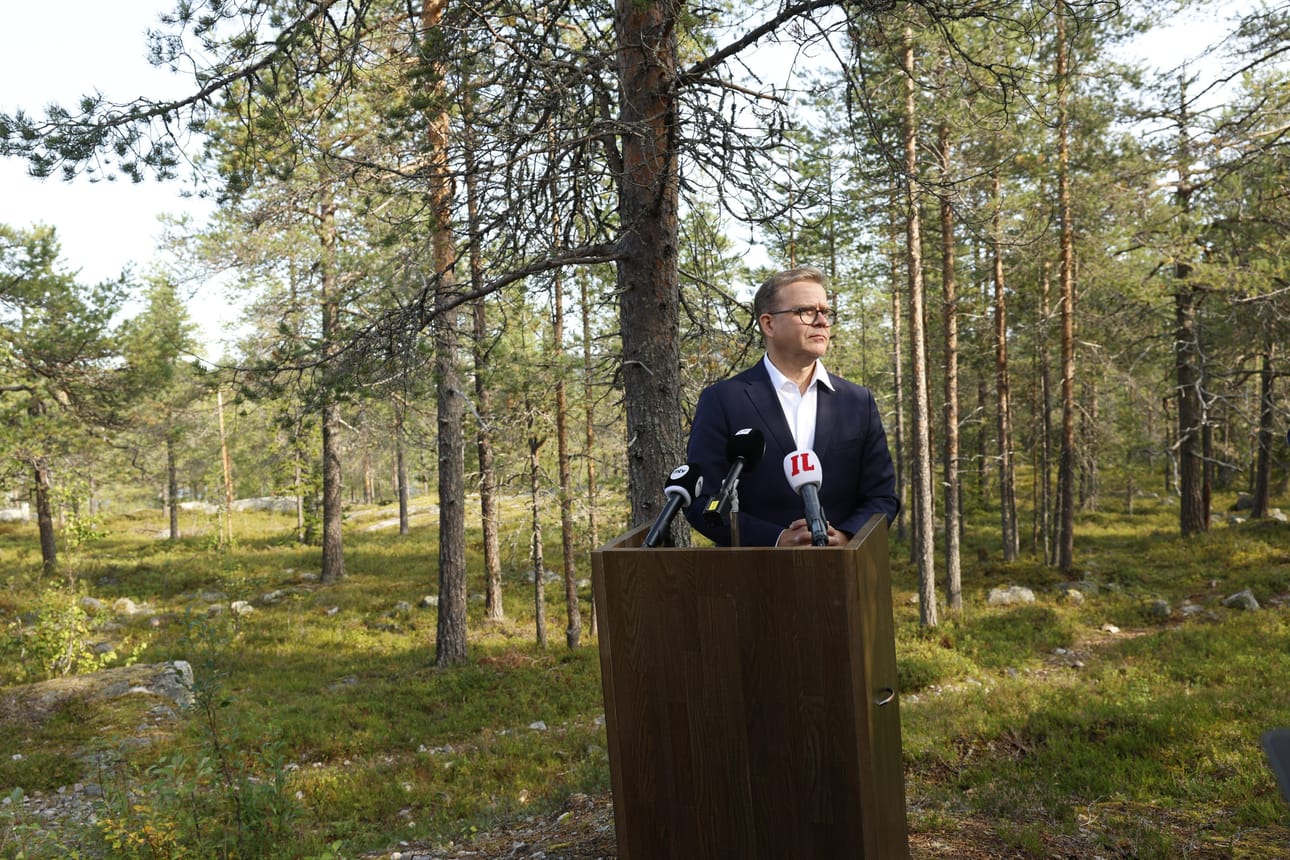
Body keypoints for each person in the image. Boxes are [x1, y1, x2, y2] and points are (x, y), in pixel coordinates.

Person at [684, 265, 900, 547]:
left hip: (842, 577)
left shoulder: (858, 402)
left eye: (826, 312)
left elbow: (882, 497)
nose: (822, 321)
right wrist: (776, 539)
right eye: (806, 311)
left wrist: (847, 535)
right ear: (768, 324)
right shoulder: (723, 400)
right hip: (754, 578)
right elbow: (703, 501)